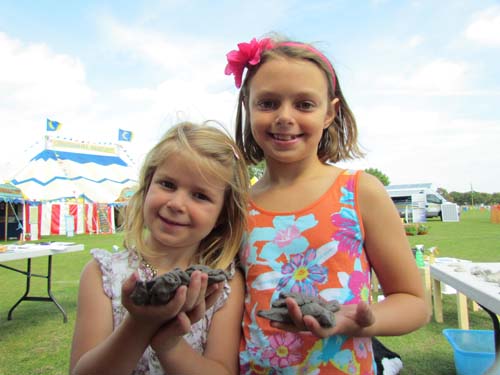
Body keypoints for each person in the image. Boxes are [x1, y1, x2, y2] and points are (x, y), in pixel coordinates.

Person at [225, 36, 430, 374]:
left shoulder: (360, 192)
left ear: (329, 113)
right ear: (248, 106)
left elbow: (413, 303)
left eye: (304, 104)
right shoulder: (236, 204)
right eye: (268, 103)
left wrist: (355, 321)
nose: (284, 117)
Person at [70, 121, 249, 375]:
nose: (177, 203)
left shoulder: (223, 285)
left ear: (222, 214)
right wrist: (140, 324)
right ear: (146, 187)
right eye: (167, 184)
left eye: (200, 196)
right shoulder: (102, 275)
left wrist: (170, 344)